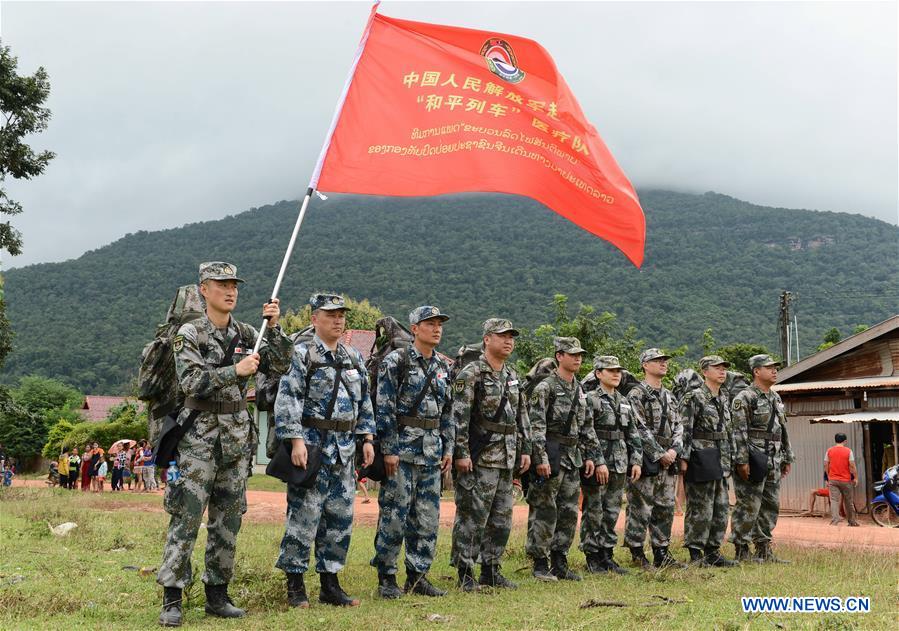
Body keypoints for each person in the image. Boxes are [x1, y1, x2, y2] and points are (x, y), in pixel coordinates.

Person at [156, 261, 291, 627]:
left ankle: (218, 594)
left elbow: (281, 365)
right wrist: (236, 371)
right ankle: (172, 597)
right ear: (204, 289)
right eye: (222, 284)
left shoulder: (248, 333)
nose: (231, 291)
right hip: (198, 441)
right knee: (186, 518)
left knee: (228, 521)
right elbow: (191, 382)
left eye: (234, 285)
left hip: (236, 440)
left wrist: (274, 328)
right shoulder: (190, 333)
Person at [274, 293, 375, 609]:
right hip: (312, 448)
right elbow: (288, 398)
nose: (338, 320)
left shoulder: (353, 357)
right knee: (304, 517)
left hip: (344, 451)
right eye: (330, 315)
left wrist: (367, 438)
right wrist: (295, 441)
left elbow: (364, 401)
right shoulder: (302, 354)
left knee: (339, 519)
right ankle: (295, 584)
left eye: (341, 315)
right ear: (314, 318)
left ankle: (330, 584)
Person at [371, 306, 454, 599]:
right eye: (430, 324)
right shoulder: (397, 361)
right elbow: (384, 407)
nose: (436, 329)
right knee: (394, 515)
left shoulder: (443, 367)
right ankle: (387, 577)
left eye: (439, 324)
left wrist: (448, 447)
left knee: (427, 518)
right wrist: (389, 449)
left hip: (431, 453)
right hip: (402, 453)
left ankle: (418, 577)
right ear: (415, 328)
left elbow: (448, 412)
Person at [450, 318, 532, 592]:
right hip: (480, 458)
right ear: (487, 339)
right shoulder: (471, 374)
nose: (509, 341)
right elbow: (459, 418)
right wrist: (461, 453)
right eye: (502, 336)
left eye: (511, 336)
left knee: (501, 519)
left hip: (507, 458)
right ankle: (465, 571)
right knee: (472, 517)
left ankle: (491, 569)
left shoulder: (512, 375)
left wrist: (526, 449)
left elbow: (522, 416)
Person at [525, 337, 597, 582]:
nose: (578, 358)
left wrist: (590, 456)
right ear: (559, 356)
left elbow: (586, 427)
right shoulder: (545, 387)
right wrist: (540, 458)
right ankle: (539, 562)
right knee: (545, 509)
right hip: (551, 454)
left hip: (573, 457)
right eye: (572, 354)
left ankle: (559, 560)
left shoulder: (579, 389)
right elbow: (536, 427)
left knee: (568, 511)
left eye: (580, 355)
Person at [623, 348, 687, 569]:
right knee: (640, 507)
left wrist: (674, 451)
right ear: (645, 365)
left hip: (669, 459)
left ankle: (661, 552)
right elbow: (638, 427)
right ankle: (637, 552)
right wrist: (660, 454)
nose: (663, 363)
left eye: (664, 360)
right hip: (647, 458)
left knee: (665, 507)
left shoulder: (670, 395)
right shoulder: (636, 394)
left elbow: (679, 425)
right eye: (657, 360)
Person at [579, 355, 642, 574]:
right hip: (599, 463)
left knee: (612, 509)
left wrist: (636, 460)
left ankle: (607, 554)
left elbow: (632, 432)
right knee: (594, 510)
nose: (617, 374)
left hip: (620, 462)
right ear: (598, 373)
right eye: (611, 370)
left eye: (618, 371)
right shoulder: (590, 399)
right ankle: (592, 555)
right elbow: (586, 431)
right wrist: (597, 461)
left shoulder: (623, 400)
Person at [729, 354, 794, 563]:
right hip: (754, 458)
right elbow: (738, 432)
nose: (774, 371)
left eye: (775, 367)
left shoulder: (776, 398)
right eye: (769, 367)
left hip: (774, 459)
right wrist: (742, 461)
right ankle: (741, 548)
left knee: (770, 505)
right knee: (749, 504)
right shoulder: (744, 398)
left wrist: (787, 457)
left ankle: (763, 548)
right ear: (756, 371)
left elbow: (782, 430)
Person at [678, 356, 738, 567]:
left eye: (724, 368)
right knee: (700, 507)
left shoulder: (724, 397)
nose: (722, 371)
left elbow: (729, 431)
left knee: (721, 508)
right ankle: (696, 552)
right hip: (701, 457)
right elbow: (685, 429)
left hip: (721, 459)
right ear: (705, 371)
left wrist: (733, 457)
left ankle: (713, 551)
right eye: (717, 368)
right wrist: (683, 458)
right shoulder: (693, 397)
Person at [825, 433, 860, 527]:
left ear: (835, 440)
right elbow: (852, 465)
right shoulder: (848, 451)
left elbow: (826, 464)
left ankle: (835, 521)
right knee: (848, 501)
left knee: (834, 500)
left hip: (833, 479)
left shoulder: (829, 451)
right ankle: (852, 522)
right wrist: (856, 477)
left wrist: (828, 476)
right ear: (845, 441)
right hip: (846, 480)